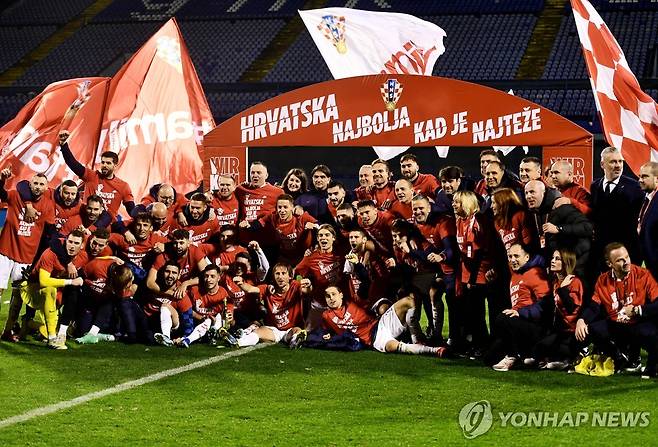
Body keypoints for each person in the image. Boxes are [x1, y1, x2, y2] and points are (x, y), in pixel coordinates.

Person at [575, 243, 658, 378]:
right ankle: (619, 358)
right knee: (590, 330)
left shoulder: (643, 275)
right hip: (616, 325)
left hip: (637, 323)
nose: (626, 262)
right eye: (620, 260)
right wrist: (581, 319)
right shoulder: (602, 280)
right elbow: (594, 306)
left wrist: (637, 310)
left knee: (652, 334)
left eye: (627, 257)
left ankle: (651, 367)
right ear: (610, 264)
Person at [0, 169, 56, 342]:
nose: (38, 187)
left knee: (17, 297)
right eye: (35, 183)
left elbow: (51, 232)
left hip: (26, 258)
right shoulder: (16, 195)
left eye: (41, 184)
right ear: (29, 184)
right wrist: (2, 179)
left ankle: (7, 331)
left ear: (46, 187)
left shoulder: (48, 205)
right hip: (5, 251)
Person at [321, 286, 447, 357]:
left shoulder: (353, 301)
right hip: (374, 339)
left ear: (341, 294)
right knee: (393, 346)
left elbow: (364, 282)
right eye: (328, 296)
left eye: (333, 294)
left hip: (380, 323)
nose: (331, 298)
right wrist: (330, 335)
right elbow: (326, 332)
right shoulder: (326, 315)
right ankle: (434, 350)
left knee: (409, 301)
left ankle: (416, 338)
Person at [13, 230, 86, 349]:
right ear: (65, 241)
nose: (72, 246)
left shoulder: (83, 255)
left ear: (82, 245)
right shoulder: (50, 254)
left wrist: (113, 257)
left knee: (74, 291)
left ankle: (30, 323)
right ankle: (52, 339)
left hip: (57, 291)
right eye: (70, 242)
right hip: (34, 290)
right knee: (50, 289)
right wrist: (71, 281)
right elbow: (44, 281)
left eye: (76, 243)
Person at [490, 243, 551, 371]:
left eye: (516, 256)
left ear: (527, 257)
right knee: (489, 358)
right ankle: (524, 355)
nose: (512, 259)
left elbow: (546, 305)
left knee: (502, 318)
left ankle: (514, 355)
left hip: (534, 326)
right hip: (520, 325)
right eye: (510, 256)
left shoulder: (535, 273)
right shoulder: (515, 274)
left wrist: (521, 313)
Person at [453, 190, 498, 355]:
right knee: (471, 312)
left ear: (466, 203)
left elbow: (480, 252)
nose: (454, 205)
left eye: (457, 202)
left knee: (479, 312)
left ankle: (485, 345)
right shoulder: (459, 221)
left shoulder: (478, 220)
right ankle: (477, 343)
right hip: (468, 272)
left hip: (480, 273)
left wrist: (472, 278)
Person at [411, 194, 459, 346]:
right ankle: (434, 335)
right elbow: (427, 252)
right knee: (426, 291)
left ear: (429, 207)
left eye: (421, 208)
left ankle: (455, 337)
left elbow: (452, 249)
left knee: (453, 300)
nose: (418, 212)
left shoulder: (443, 222)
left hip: (454, 267)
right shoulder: (417, 225)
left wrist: (442, 257)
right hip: (439, 268)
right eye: (415, 209)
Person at [590, 146, 644, 270]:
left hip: (627, 250)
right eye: (613, 161)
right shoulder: (595, 185)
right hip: (602, 250)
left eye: (620, 161)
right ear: (602, 164)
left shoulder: (634, 187)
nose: (618, 165)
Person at [58, 130, 135, 218]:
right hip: (85, 220)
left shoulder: (123, 186)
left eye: (108, 163)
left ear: (115, 165)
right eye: (103, 162)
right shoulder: (92, 176)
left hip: (106, 226)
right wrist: (64, 145)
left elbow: (131, 210)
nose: (104, 165)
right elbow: (73, 163)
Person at [529, 249, 585, 370]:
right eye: (553, 258)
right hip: (559, 330)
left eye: (557, 259)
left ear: (566, 262)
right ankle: (556, 359)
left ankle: (568, 358)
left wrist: (563, 289)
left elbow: (571, 309)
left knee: (553, 348)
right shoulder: (555, 282)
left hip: (572, 331)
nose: (553, 261)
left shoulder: (574, 282)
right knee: (539, 347)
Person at [525, 180, 592, 278]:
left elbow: (587, 228)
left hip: (578, 268)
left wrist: (559, 229)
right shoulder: (535, 213)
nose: (528, 196)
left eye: (532, 192)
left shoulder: (562, 207)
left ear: (543, 193)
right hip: (559, 269)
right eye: (526, 193)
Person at [233, 263, 310, 347]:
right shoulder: (268, 289)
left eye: (283, 273)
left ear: (290, 276)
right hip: (274, 330)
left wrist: (308, 285)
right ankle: (238, 342)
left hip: (291, 329)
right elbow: (251, 289)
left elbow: (308, 291)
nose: (280, 277)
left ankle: (295, 341)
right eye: (277, 274)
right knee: (258, 332)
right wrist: (241, 284)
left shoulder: (295, 286)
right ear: (273, 276)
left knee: (298, 331)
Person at [174, 264, 233, 348]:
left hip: (215, 324)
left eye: (212, 276)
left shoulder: (223, 294)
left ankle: (188, 339)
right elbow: (186, 308)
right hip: (196, 324)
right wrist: (201, 317)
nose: (209, 279)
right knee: (207, 321)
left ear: (218, 278)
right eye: (206, 276)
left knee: (218, 317)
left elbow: (229, 319)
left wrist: (228, 318)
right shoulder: (194, 290)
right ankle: (190, 338)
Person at [148, 261, 194, 347]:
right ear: (162, 272)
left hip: (173, 326)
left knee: (165, 306)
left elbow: (189, 322)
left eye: (174, 273)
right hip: (151, 322)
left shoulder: (180, 294)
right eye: (167, 272)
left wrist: (183, 338)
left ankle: (166, 337)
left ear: (179, 275)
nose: (170, 276)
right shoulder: (154, 286)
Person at [490, 188, 536, 252]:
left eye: (493, 202)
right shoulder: (497, 223)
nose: (491, 206)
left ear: (503, 202)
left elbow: (528, 242)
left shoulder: (520, 215)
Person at [637, 161, 658, 282]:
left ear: (657, 179)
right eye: (640, 176)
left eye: (645, 176)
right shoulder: (646, 198)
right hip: (649, 264)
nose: (640, 180)